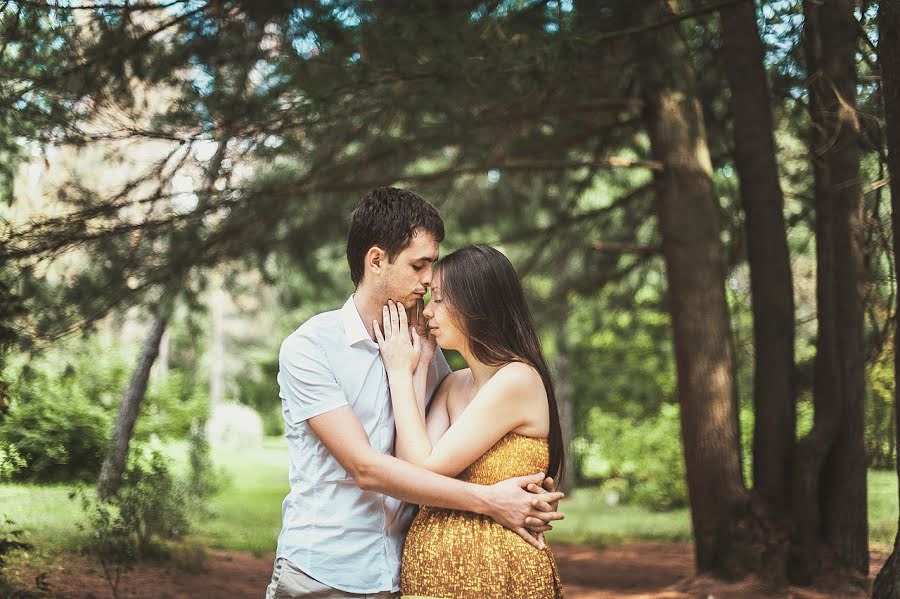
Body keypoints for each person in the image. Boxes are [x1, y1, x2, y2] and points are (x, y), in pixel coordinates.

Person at [266, 188, 564, 599]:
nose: (428, 281)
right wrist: (492, 501)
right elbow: (366, 469)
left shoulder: (432, 353)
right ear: (376, 261)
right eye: (418, 265)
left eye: (433, 266)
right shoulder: (311, 348)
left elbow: (437, 458)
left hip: (403, 576)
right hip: (325, 572)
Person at [375, 244, 565, 598]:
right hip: (429, 579)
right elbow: (409, 470)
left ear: (477, 304)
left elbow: (424, 467)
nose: (427, 311)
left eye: (440, 300)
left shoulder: (516, 379)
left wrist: (398, 372)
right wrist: (416, 367)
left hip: (500, 579)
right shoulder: (452, 384)